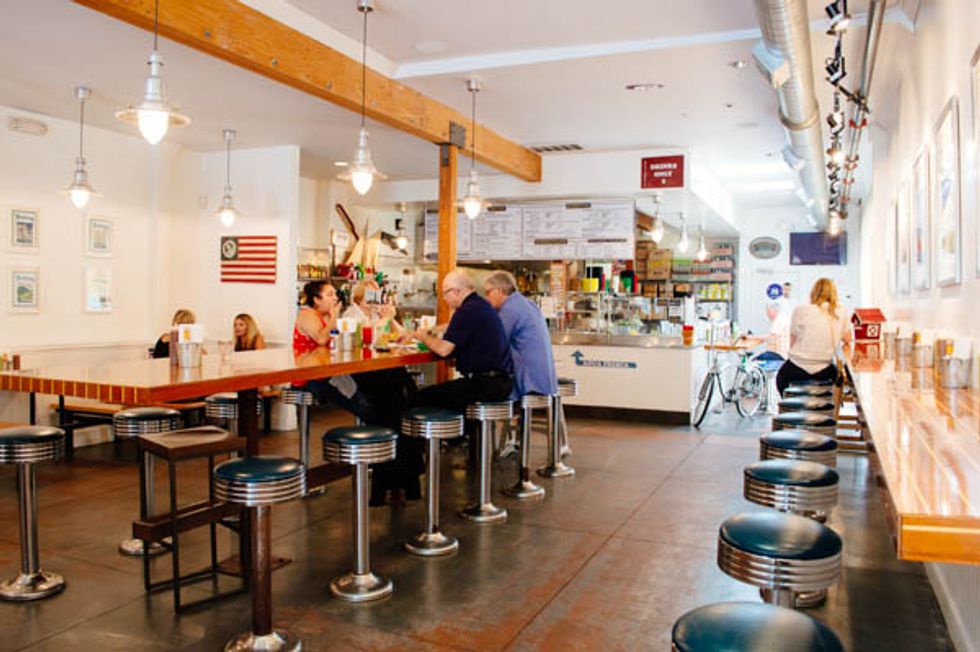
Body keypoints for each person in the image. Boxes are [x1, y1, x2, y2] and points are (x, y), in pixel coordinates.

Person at [413, 270, 514, 411]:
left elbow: (443, 350)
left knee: (418, 398)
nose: (444, 299)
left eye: (445, 293)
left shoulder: (466, 310)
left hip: (485, 385)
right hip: (500, 383)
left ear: (456, 291)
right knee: (443, 393)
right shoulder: (479, 305)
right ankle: (465, 425)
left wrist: (421, 336)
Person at [483, 270, 558, 400]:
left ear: (499, 290)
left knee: (478, 390)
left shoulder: (510, 309)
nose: (486, 298)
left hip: (529, 382)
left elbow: (494, 343)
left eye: (488, 292)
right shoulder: (525, 303)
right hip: (544, 379)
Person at [775, 278, 852, 394]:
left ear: (813, 292)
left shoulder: (800, 309)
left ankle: (792, 403)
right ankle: (823, 403)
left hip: (796, 368)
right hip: (824, 371)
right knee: (836, 381)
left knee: (781, 379)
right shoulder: (841, 311)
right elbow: (847, 339)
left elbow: (792, 341)